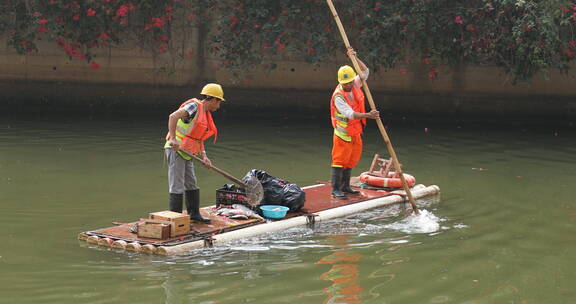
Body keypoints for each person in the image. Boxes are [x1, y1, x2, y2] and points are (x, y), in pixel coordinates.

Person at [164, 83, 225, 223]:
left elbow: (198, 137)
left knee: (191, 183)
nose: (219, 106)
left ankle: (194, 214)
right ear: (214, 99)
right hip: (176, 149)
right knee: (177, 184)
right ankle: (176, 220)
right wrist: (173, 139)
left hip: (187, 151)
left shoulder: (205, 114)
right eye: (219, 102)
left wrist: (204, 156)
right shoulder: (194, 107)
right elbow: (172, 116)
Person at [330, 48, 379, 198]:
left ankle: (346, 186)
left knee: (352, 160)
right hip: (342, 134)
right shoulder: (338, 96)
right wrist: (368, 115)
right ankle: (336, 189)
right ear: (341, 83)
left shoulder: (355, 84)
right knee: (339, 161)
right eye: (345, 84)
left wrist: (355, 57)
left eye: (349, 83)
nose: (347, 86)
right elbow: (350, 114)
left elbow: (365, 72)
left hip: (356, 132)